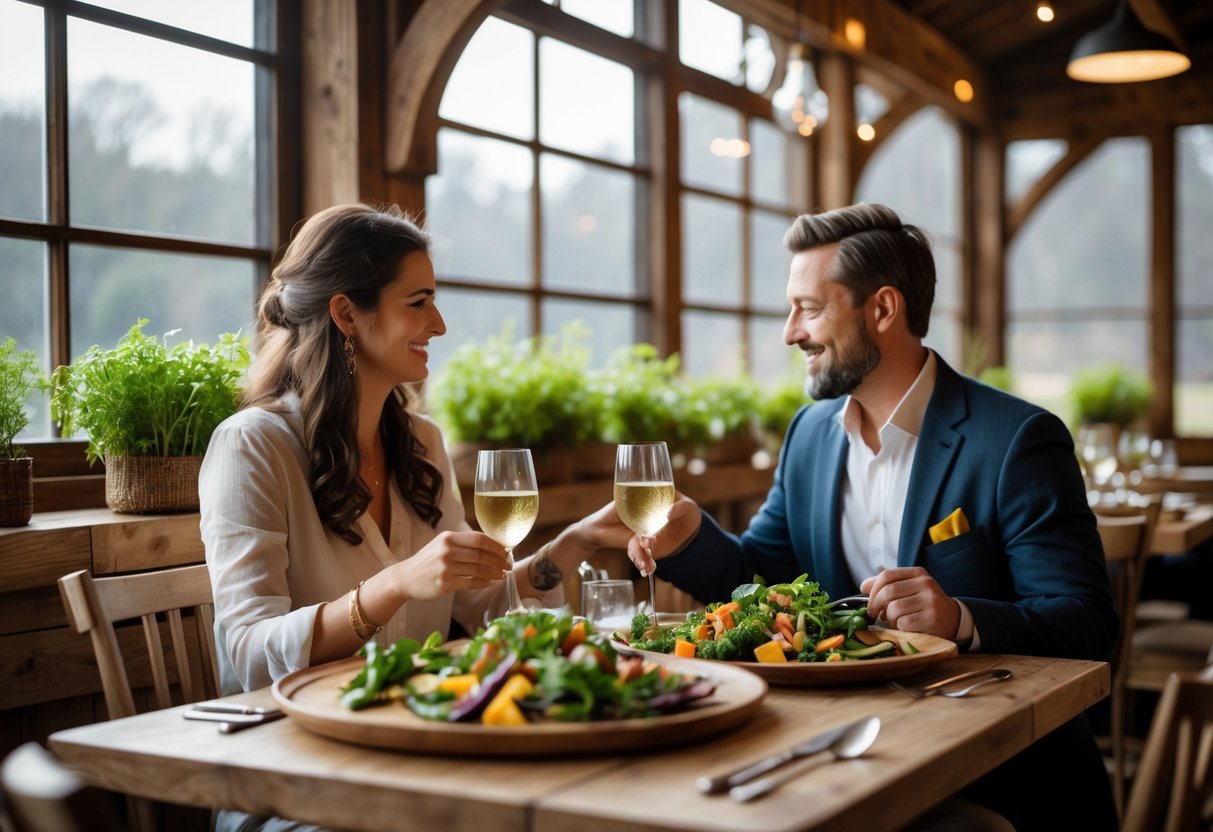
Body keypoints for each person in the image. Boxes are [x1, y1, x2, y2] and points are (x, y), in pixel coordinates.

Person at [598, 203, 1119, 830]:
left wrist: (960, 617)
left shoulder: (1018, 439)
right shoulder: (810, 435)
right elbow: (761, 574)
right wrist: (689, 538)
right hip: (837, 752)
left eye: (811, 309)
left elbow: (1088, 625)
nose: (791, 333)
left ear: (883, 309)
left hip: (999, 767)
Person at [200, 202, 605, 700]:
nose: (438, 325)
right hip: (289, 739)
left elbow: (480, 605)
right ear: (347, 313)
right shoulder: (253, 447)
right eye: (418, 302)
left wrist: (580, 540)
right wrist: (394, 585)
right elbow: (250, 654)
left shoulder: (423, 442)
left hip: (407, 725)